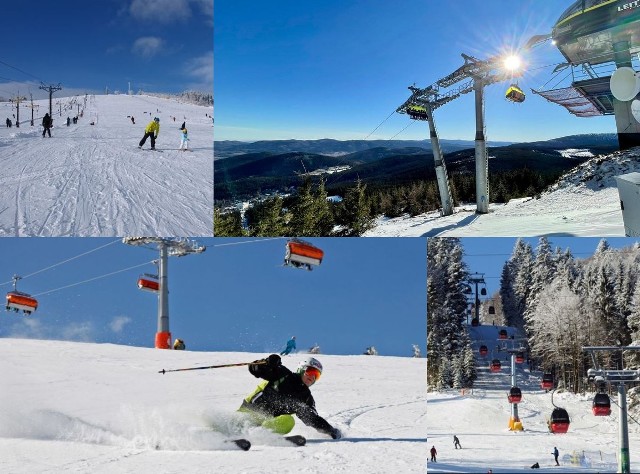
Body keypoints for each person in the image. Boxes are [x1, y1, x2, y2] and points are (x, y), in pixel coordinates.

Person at [238, 354, 341, 439]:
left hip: (266, 422)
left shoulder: (306, 398)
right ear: (301, 369)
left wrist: (330, 430)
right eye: (310, 372)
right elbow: (254, 368)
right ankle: (234, 430)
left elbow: (312, 418)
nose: (312, 377)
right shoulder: (283, 374)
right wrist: (268, 363)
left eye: (316, 376)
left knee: (289, 421)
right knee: (237, 424)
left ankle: (260, 435)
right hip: (250, 411)